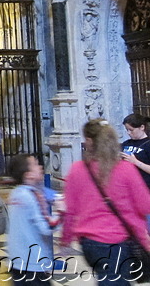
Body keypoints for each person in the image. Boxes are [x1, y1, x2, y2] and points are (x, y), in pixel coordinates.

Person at [60, 118, 150, 285]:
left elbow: (70, 209)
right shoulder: (125, 169)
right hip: (117, 242)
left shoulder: (78, 169)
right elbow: (145, 204)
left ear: (89, 141)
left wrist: (65, 239)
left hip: (89, 244)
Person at [6, 154, 60, 285]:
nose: (40, 166)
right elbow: (47, 226)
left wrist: (56, 197)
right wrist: (62, 212)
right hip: (34, 262)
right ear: (28, 175)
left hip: (16, 260)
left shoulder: (16, 193)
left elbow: (46, 193)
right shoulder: (33, 196)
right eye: (35, 164)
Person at [121, 113, 150, 188]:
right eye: (127, 130)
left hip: (145, 186)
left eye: (131, 130)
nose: (129, 133)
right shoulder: (126, 143)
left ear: (142, 127)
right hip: (127, 185)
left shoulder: (148, 144)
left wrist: (135, 162)